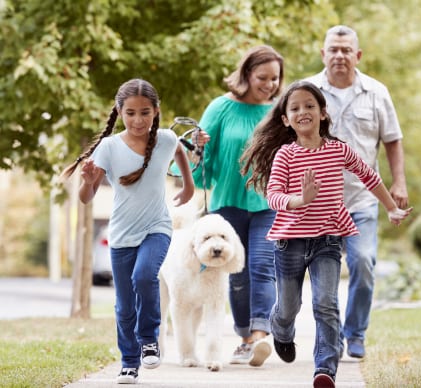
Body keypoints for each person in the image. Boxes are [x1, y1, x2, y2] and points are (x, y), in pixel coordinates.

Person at [240, 80, 412, 387]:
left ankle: (324, 369)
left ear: (323, 113)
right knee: (289, 306)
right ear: (285, 119)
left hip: (328, 241)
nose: (303, 111)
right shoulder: (286, 155)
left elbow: (368, 176)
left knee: (326, 304)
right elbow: (274, 196)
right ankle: (281, 330)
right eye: (295, 108)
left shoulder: (338, 150)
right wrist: (299, 200)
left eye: (309, 106)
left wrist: (390, 207)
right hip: (289, 242)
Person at [61, 78, 194, 384]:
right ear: (119, 111)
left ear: (156, 110)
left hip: (156, 227)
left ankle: (150, 340)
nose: (138, 120)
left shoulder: (165, 138)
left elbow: (180, 153)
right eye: (131, 113)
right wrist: (88, 180)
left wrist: (188, 185)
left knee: (144, 276)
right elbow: (85, 198)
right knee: (123, 305)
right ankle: (129, 362)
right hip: (121, 234)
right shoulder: (109, 147)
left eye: (145, 112)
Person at [305, 25, 409, 359]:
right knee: (324, 275)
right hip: (320, 203)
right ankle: (330, 338)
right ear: (323, 54)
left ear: (357, 55)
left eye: (346, 50)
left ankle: (356, 333)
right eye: (333, 49)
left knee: (363, 263)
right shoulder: (307, 92)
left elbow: (392, 138)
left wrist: (399, 182)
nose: (339, 55)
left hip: (364, 199)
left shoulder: (377, 92)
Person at [191, 45, 284, 367]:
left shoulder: (277, 113)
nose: (270, 84)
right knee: (238, 274)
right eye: (263, 77)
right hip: (227, 204)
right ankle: (244, 337)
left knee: (262, 266)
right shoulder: (220, 107)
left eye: (275, 78)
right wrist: (197, 149)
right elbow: (201, 159)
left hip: (267, 204)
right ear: (246, 74)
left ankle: (260, 336)